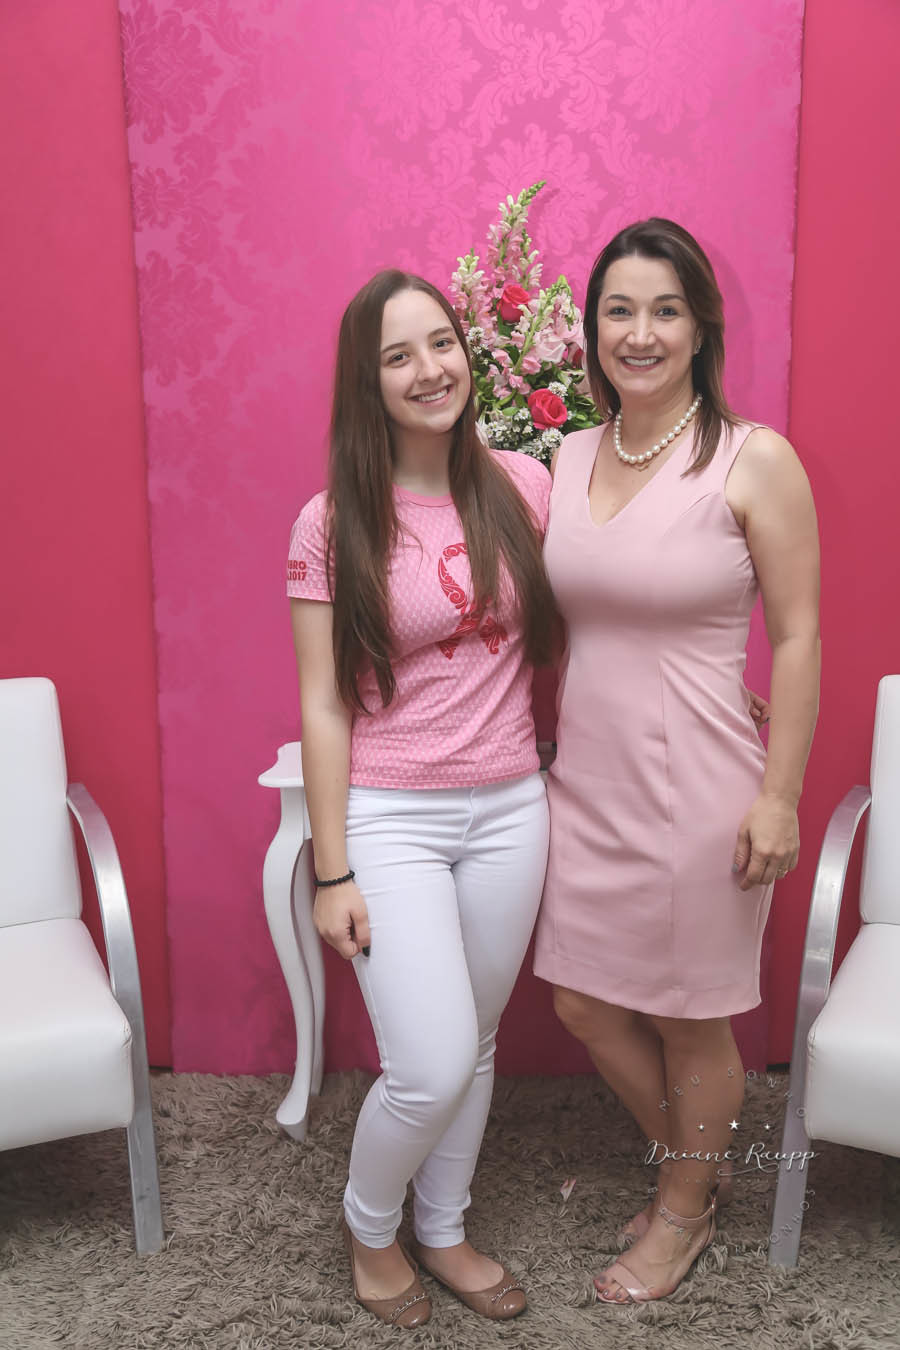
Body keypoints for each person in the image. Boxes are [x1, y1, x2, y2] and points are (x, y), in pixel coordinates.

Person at [533, 218, 820, 1306]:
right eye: (619, 310)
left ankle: (685, 1211)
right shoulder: (568, 455)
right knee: (582, 1001)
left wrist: (780, 795)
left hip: (701, 785)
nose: (640, 333)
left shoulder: (755, 459)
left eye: (666, 310)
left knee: (691, 1016)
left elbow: (799, 635)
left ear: (702, 327)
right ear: (592, 329)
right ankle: (698, 1165)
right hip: (589, 780)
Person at [286, 270, 556, 1328]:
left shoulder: (524, 485)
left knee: (476, 1044)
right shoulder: (330, 523)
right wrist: (333, 869)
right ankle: (369, 1227)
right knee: (430, 1062)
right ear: (368, 382)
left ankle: (442, 1228)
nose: (429, 369)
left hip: (512, 807)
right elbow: (322, 704)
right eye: (397, 356)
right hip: (391, 813)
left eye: (441, 342)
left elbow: (614, 601)